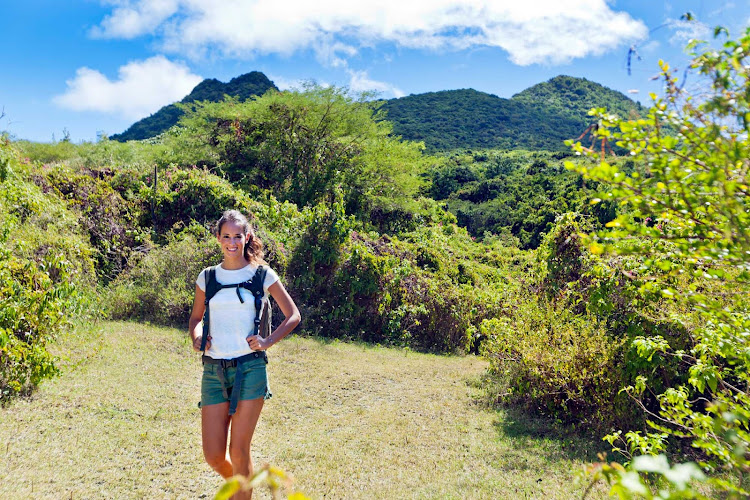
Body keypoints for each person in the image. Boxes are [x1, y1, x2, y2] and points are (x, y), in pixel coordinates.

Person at [188, 209, 300, 499]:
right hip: (213, 370)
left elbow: (293, 315)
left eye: (237, 236)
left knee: (238, 450)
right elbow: (195, 318)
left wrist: (267, 341)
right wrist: (197, 336)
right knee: (213, 454)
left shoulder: (261, 274)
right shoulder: (208, 277)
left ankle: (240, 492)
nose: (232, 242)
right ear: (218, 238)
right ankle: (240, 486)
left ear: (246, 237)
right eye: (226, 236)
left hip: (250, 369)